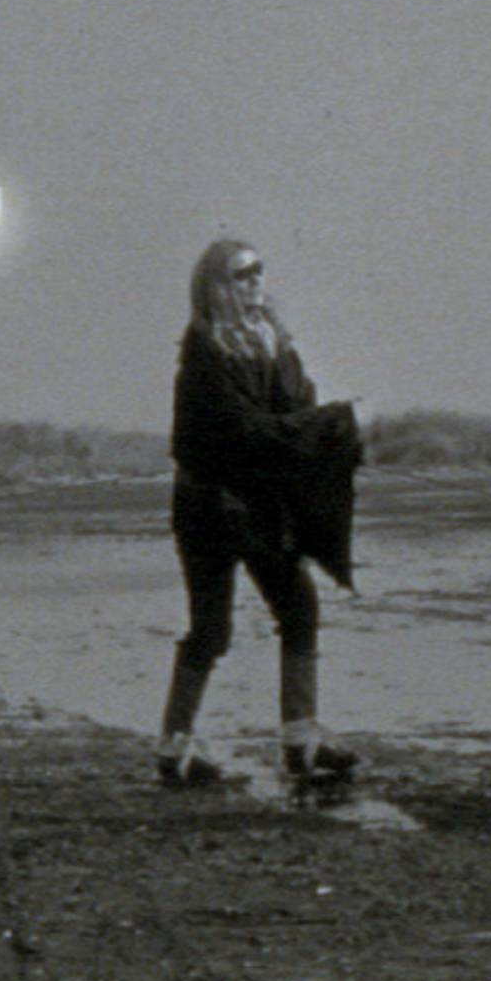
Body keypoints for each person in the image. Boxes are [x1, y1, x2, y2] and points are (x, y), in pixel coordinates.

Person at [160, 239, 367, 791]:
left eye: (259, 272)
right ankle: (175, 742)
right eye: (242, 274)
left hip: (257, 503)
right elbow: (239, 427)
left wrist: (324, 424)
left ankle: (301, 736)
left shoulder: (276, 342)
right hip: (208, 505)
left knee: (299, 605)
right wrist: (314, 426)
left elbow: (297, 403)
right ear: (217, 285)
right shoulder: (203, 351)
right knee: (211, 628)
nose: (254, 282)